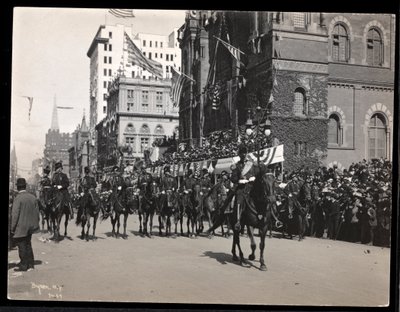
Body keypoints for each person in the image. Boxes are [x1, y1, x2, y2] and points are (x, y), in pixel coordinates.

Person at [11, 178, 40, 272]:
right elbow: (37, 213)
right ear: (25, 186)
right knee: (28, 243)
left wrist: (12, 228)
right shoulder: (33, 197)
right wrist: (35, 224)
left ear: (17, 187)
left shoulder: (18, 198)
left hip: (21, 226)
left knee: (21, 244)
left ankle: (24, 265)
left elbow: (15, 215)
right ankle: (30, 263)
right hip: (31, 226)